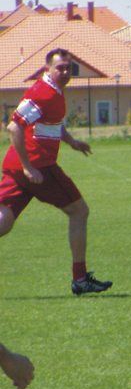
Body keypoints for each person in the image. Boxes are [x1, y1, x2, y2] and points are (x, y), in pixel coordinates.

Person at [1, 48, 112, 295]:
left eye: (68, 68)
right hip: (37, 166)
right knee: (79, 211)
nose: (64, 72)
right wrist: (29, 167)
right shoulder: (43, 93)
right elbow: (14, 127)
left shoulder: (54, 91)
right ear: (47, 69)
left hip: (17, 166)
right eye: (59, 67)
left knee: (4, 220)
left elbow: (51, 125)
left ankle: (80, 279)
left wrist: (72, 142)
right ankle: (80, 279)